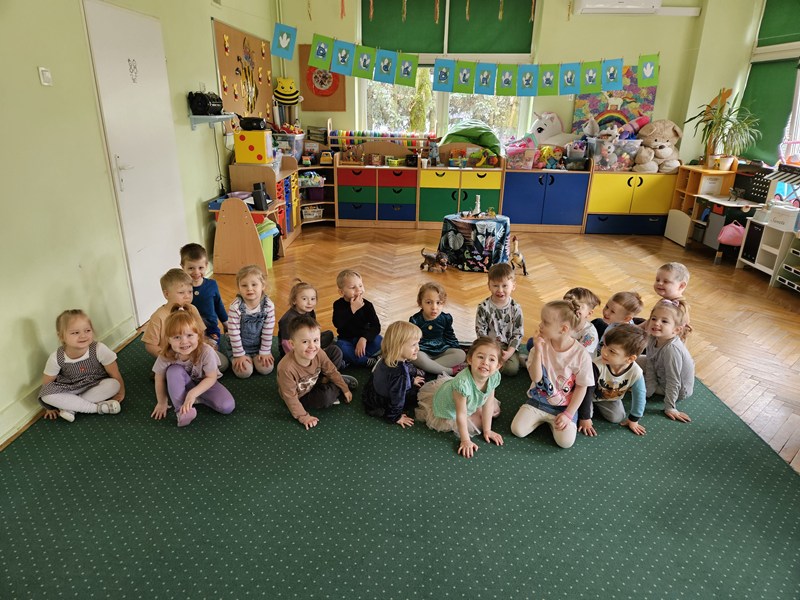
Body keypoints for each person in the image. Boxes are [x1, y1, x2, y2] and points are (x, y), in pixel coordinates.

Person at [511, 299, 593, 449]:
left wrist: (569, 414)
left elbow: (582, 387)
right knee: (517, 430)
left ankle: (554, 421)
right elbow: (536, 378)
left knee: (565, 442)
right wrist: (538, 351)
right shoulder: (540, 346)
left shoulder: (582, 355)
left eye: (545, 322)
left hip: (563, 407)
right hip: (538, 400)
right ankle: (544, 419)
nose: (540, 325)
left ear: (563, 329)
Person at [415, 337, 504, 459]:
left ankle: (475, 408)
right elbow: (461, 414)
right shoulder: (462, 384)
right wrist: (465, 440)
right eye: (480, 357)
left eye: (492, 359)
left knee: (493, 411)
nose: (485, 363)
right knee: (478, 423)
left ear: (498, 366)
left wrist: (487, 430)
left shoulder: (493, 376)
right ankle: (473, 411)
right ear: (470, 359)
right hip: (451, 408)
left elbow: (488, 401)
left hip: (470, 398)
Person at [150, 306, 235, 427]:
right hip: (181, 381)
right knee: (173, 371)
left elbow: (211, 377)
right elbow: (159, 378)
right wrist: (162, 402)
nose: (184, 342)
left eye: (189, 335)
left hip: (204, 382)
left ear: (198, 335)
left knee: (227, 406)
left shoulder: (207, 351)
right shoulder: (166, 355)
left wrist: (193, 394)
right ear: (168, 340)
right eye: (177, 337)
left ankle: (194, 398)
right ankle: (181, 410)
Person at [40, 309, 124, 422]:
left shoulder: (99, 349)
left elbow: (114, 373)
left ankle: (71, 407)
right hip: (69, 388)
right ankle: (96, 408)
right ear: (61, 336)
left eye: (87, 330)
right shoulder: (56, 357)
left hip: (94, 385)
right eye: (75, 333)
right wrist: (49, 408)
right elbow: (47, 383)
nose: (83, 336)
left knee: (114, 384)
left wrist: (121, 392)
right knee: (46, 395)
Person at [277, 314, 355, 430]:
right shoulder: (286, 368)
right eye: (305, 342)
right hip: (301, 395)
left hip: (315, 379)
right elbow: (290, 398)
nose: (312, 346)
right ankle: (333, 383)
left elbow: (331, 370)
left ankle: (332, 381)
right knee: (325, 398)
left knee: (335, 351)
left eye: (315, 340)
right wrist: (303, 417)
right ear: (292, 344)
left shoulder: (318, 353)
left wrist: (345, 388)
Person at [142, 268, 229, 371]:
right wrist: (165, 356)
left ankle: (192, 372)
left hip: (193, 351)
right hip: (173, 357)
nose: (187, 296)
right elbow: (150, 344)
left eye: (190, 291)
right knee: (176, 372)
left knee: (223, 363)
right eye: (181, 292)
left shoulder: (192, 309)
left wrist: (206, 343)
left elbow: (200, 332)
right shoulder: (158, 316)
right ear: (167, 294)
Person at [577, 324, 649, 437]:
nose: (604, 352)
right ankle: (589, 410)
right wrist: (585, 417)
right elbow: (587, 391)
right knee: (585, 414)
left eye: (612, 351)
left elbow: (640, 396)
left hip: (609, 398)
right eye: (604, 346)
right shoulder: (596, 366)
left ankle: (595, 409)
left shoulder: (636, 372)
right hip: (588, 395)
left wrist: (634, 419)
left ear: (630, 358)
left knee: (617, 417)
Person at [362, 321, 426, 428]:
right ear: (398, 347)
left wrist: (411, 380)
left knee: (415, 379)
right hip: (383, 401)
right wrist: (396, 417)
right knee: (419, 393)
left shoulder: (388, 356)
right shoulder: (400, 374)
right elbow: (398, 398)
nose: (418, 348)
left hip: (374, 391)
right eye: (413, 345)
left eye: (418, 343)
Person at [641, 299, 695, 423]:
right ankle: (650, 386)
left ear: (676, 330)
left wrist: (670, 407)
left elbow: (673, 381)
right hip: (660, 371)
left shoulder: (671, 349)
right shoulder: (653, 337)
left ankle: (653, 388)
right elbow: (650, 361)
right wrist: (649, 387)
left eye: (664, 321)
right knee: (630, 362)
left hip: (677, 389)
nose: (656, 323)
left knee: (633, 379)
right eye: (654, 319)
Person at [220, 265, 276, 379]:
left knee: (266, 369)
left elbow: (268, 330)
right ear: (239, 288)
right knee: (244, 373)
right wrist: (239, 355)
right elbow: (233, 333)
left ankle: (254, 357)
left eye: (254, 284)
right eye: (244, 285)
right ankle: (238, 358)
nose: (249, 289)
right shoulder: (235, 307)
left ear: (263, 285)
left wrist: (265, 351)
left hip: (259, 346)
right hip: (239, 346)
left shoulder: (268, 305)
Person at [277, 279, 344, 368]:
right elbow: (286, 344)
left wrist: (315, 346)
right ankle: (323, 369)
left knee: (329, 335)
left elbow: (313, 331)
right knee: (334, 351)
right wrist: (298, 360)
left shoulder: (310, 311)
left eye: (313, 299)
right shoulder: (288, 320)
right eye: (304, 299)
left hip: (308, 342)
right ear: (294, 300)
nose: (309, 302)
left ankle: (325, 364)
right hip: (295, 351)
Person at [475, 263, 524, 376]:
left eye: (505, 286)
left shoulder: (516, 308)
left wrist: (509, 352)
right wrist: (490, 350)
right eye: (495, 285)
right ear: (489, 286)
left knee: (512, 369)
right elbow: (480, 331)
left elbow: (518, 333)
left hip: (507, 346)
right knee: (475, 359)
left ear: (513, 286)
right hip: (488, 344)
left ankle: (494, 366)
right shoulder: (483, 307)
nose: (500, 290)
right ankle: (494, 365)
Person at [409, 282, 466, 376]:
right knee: (417, 357)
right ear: (420, 303)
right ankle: (449, 371)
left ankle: (427, 369)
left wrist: (456, 348)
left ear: (443, 303)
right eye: (429, 302)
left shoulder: (445, 318)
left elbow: (450, 336)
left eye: (438, 303)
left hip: (441, 349)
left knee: (461, 354)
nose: (434, 307)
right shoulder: (415, 320)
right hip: (423, 351)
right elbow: (412, 341)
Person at [526, 287, 601, 355]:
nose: (570, 311)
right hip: (559, 349)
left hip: (573, 360)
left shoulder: (590, 334)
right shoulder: (563, 321)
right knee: (532, 342)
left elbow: (579, 356)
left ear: (589, 313)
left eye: (576, 308)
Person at [332, 269, 382, 368]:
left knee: (379, 340)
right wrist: (352, 309)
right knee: (340, 346)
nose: (358, 290)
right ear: (341, 292)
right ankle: (366, 361)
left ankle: (351, 360)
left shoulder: (367, 305)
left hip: (364, 341)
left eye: (360, 285)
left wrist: (364, 338)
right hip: (347, 340)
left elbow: (376, 326)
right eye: (352, 287)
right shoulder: (338, 304)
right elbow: (337, 323)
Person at [180, 243, 227, 345]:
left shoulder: (212, 285)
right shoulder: (180, 289)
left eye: (200, 268)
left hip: (210, 329)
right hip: (188, 331)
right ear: (183, 267)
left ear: (206, 266)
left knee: (211, 348)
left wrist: (225, 323)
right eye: (191, 268)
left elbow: (219, 305)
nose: (196, 272)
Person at [652, 262, 692, 340]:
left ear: (681, 286)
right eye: (657, 280)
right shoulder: (665, 300)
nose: (659, 283)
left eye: (666, 281)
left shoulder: (679, 307)